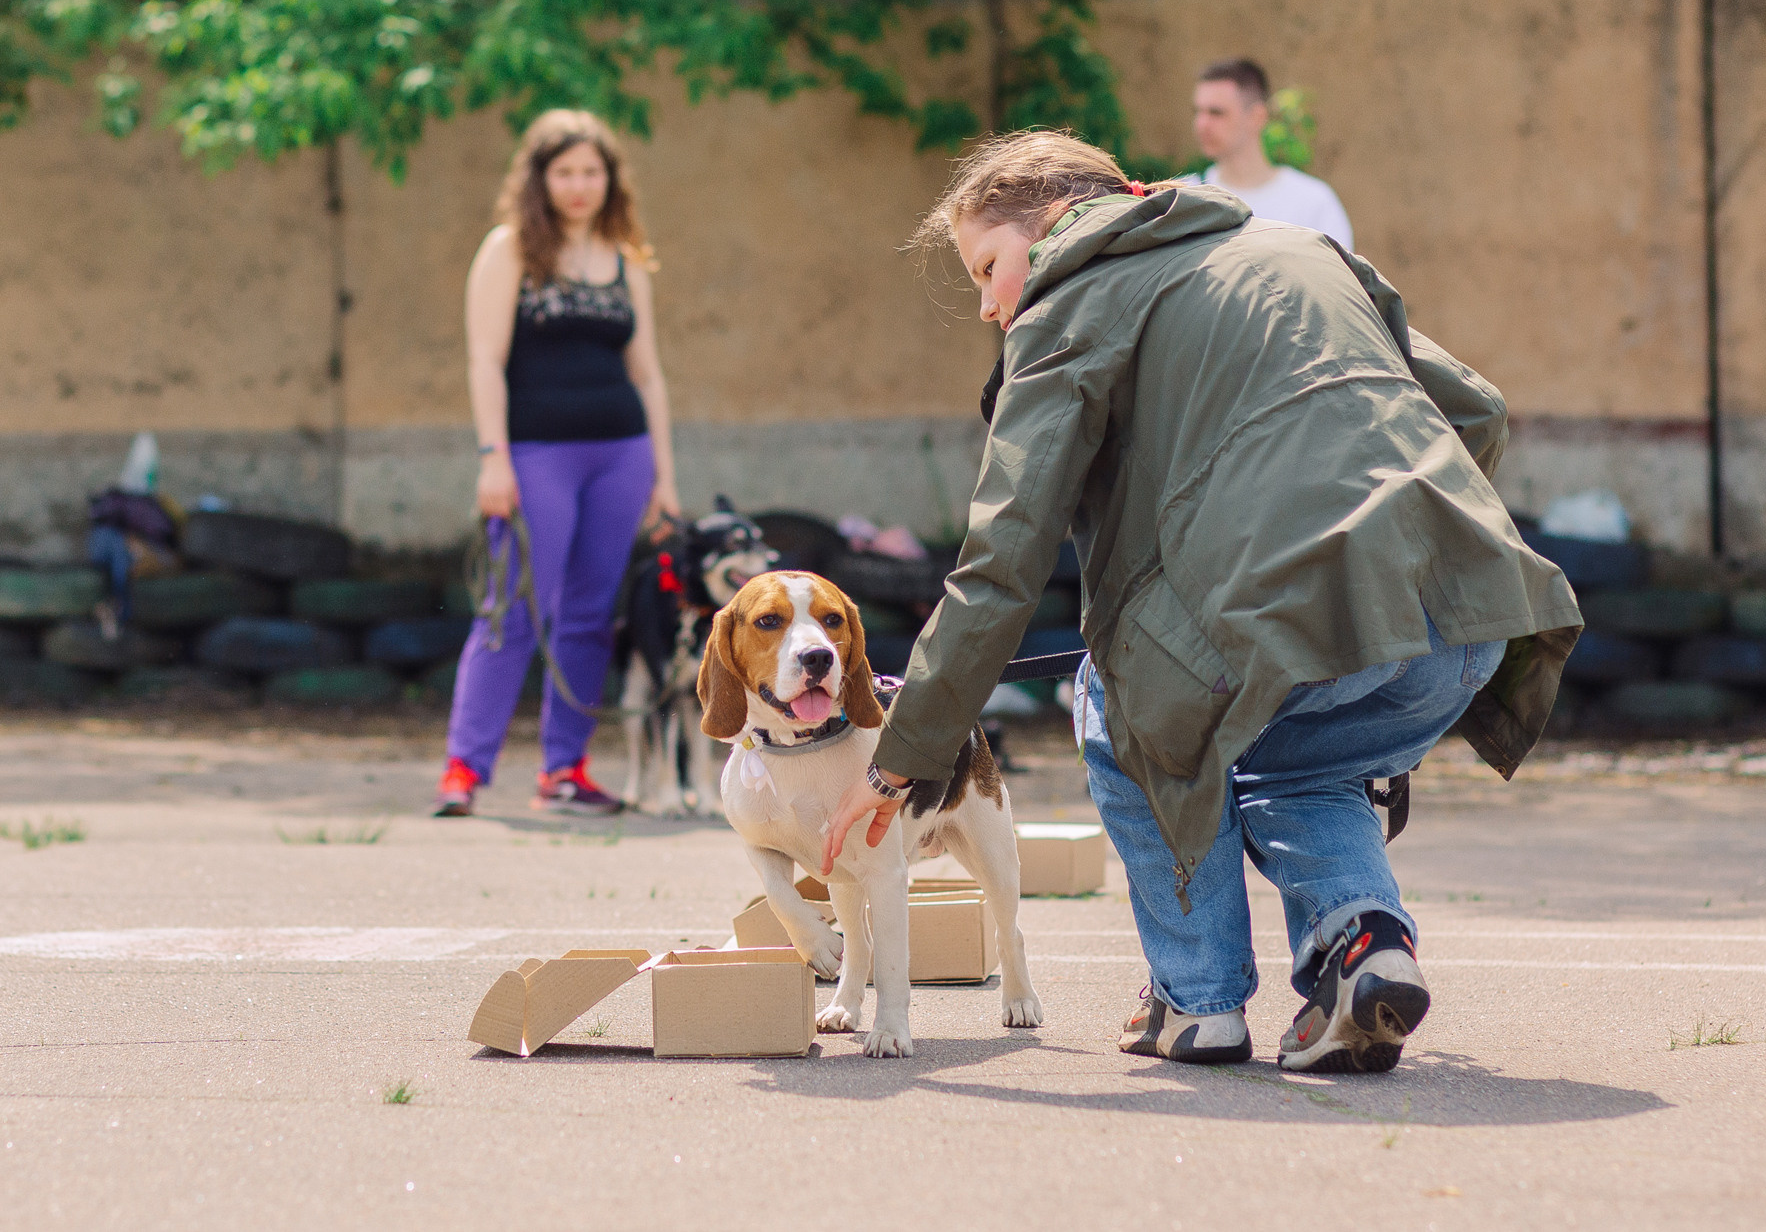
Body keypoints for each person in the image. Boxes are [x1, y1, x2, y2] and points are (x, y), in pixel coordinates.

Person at [823, 132, 1579, 1073]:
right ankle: (1363, 947)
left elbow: (1001, 566)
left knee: (1113, 689)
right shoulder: (1297, 248)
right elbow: (1478, 410)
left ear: (1053, 221)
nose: (987, 301)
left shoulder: (1067, 305)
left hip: (1289, 626)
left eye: (987, 265)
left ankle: (1197, 1001)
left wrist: (898, 763)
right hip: (1467, 619)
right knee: (1299, 769)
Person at [432, 110, 682, 818]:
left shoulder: (625, 257)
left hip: (621, 455)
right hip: (534, 456)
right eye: (565, 171)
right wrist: (492, 458)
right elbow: (485, 359)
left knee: (588, 617)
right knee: (511, 610)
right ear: (540, 178)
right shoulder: (510, 249)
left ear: (610, 179)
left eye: (592, 171)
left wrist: (664, 478)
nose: (579, 185)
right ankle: (463, 769)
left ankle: (564, 770)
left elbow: (649, 374)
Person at [1191, 57, 1353, 249]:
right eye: (1197, 112)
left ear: (1257, 117)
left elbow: (1335, 278)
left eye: (1216, 113)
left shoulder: (1314, 202)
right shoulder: (1186, 198)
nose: (1201, 124)